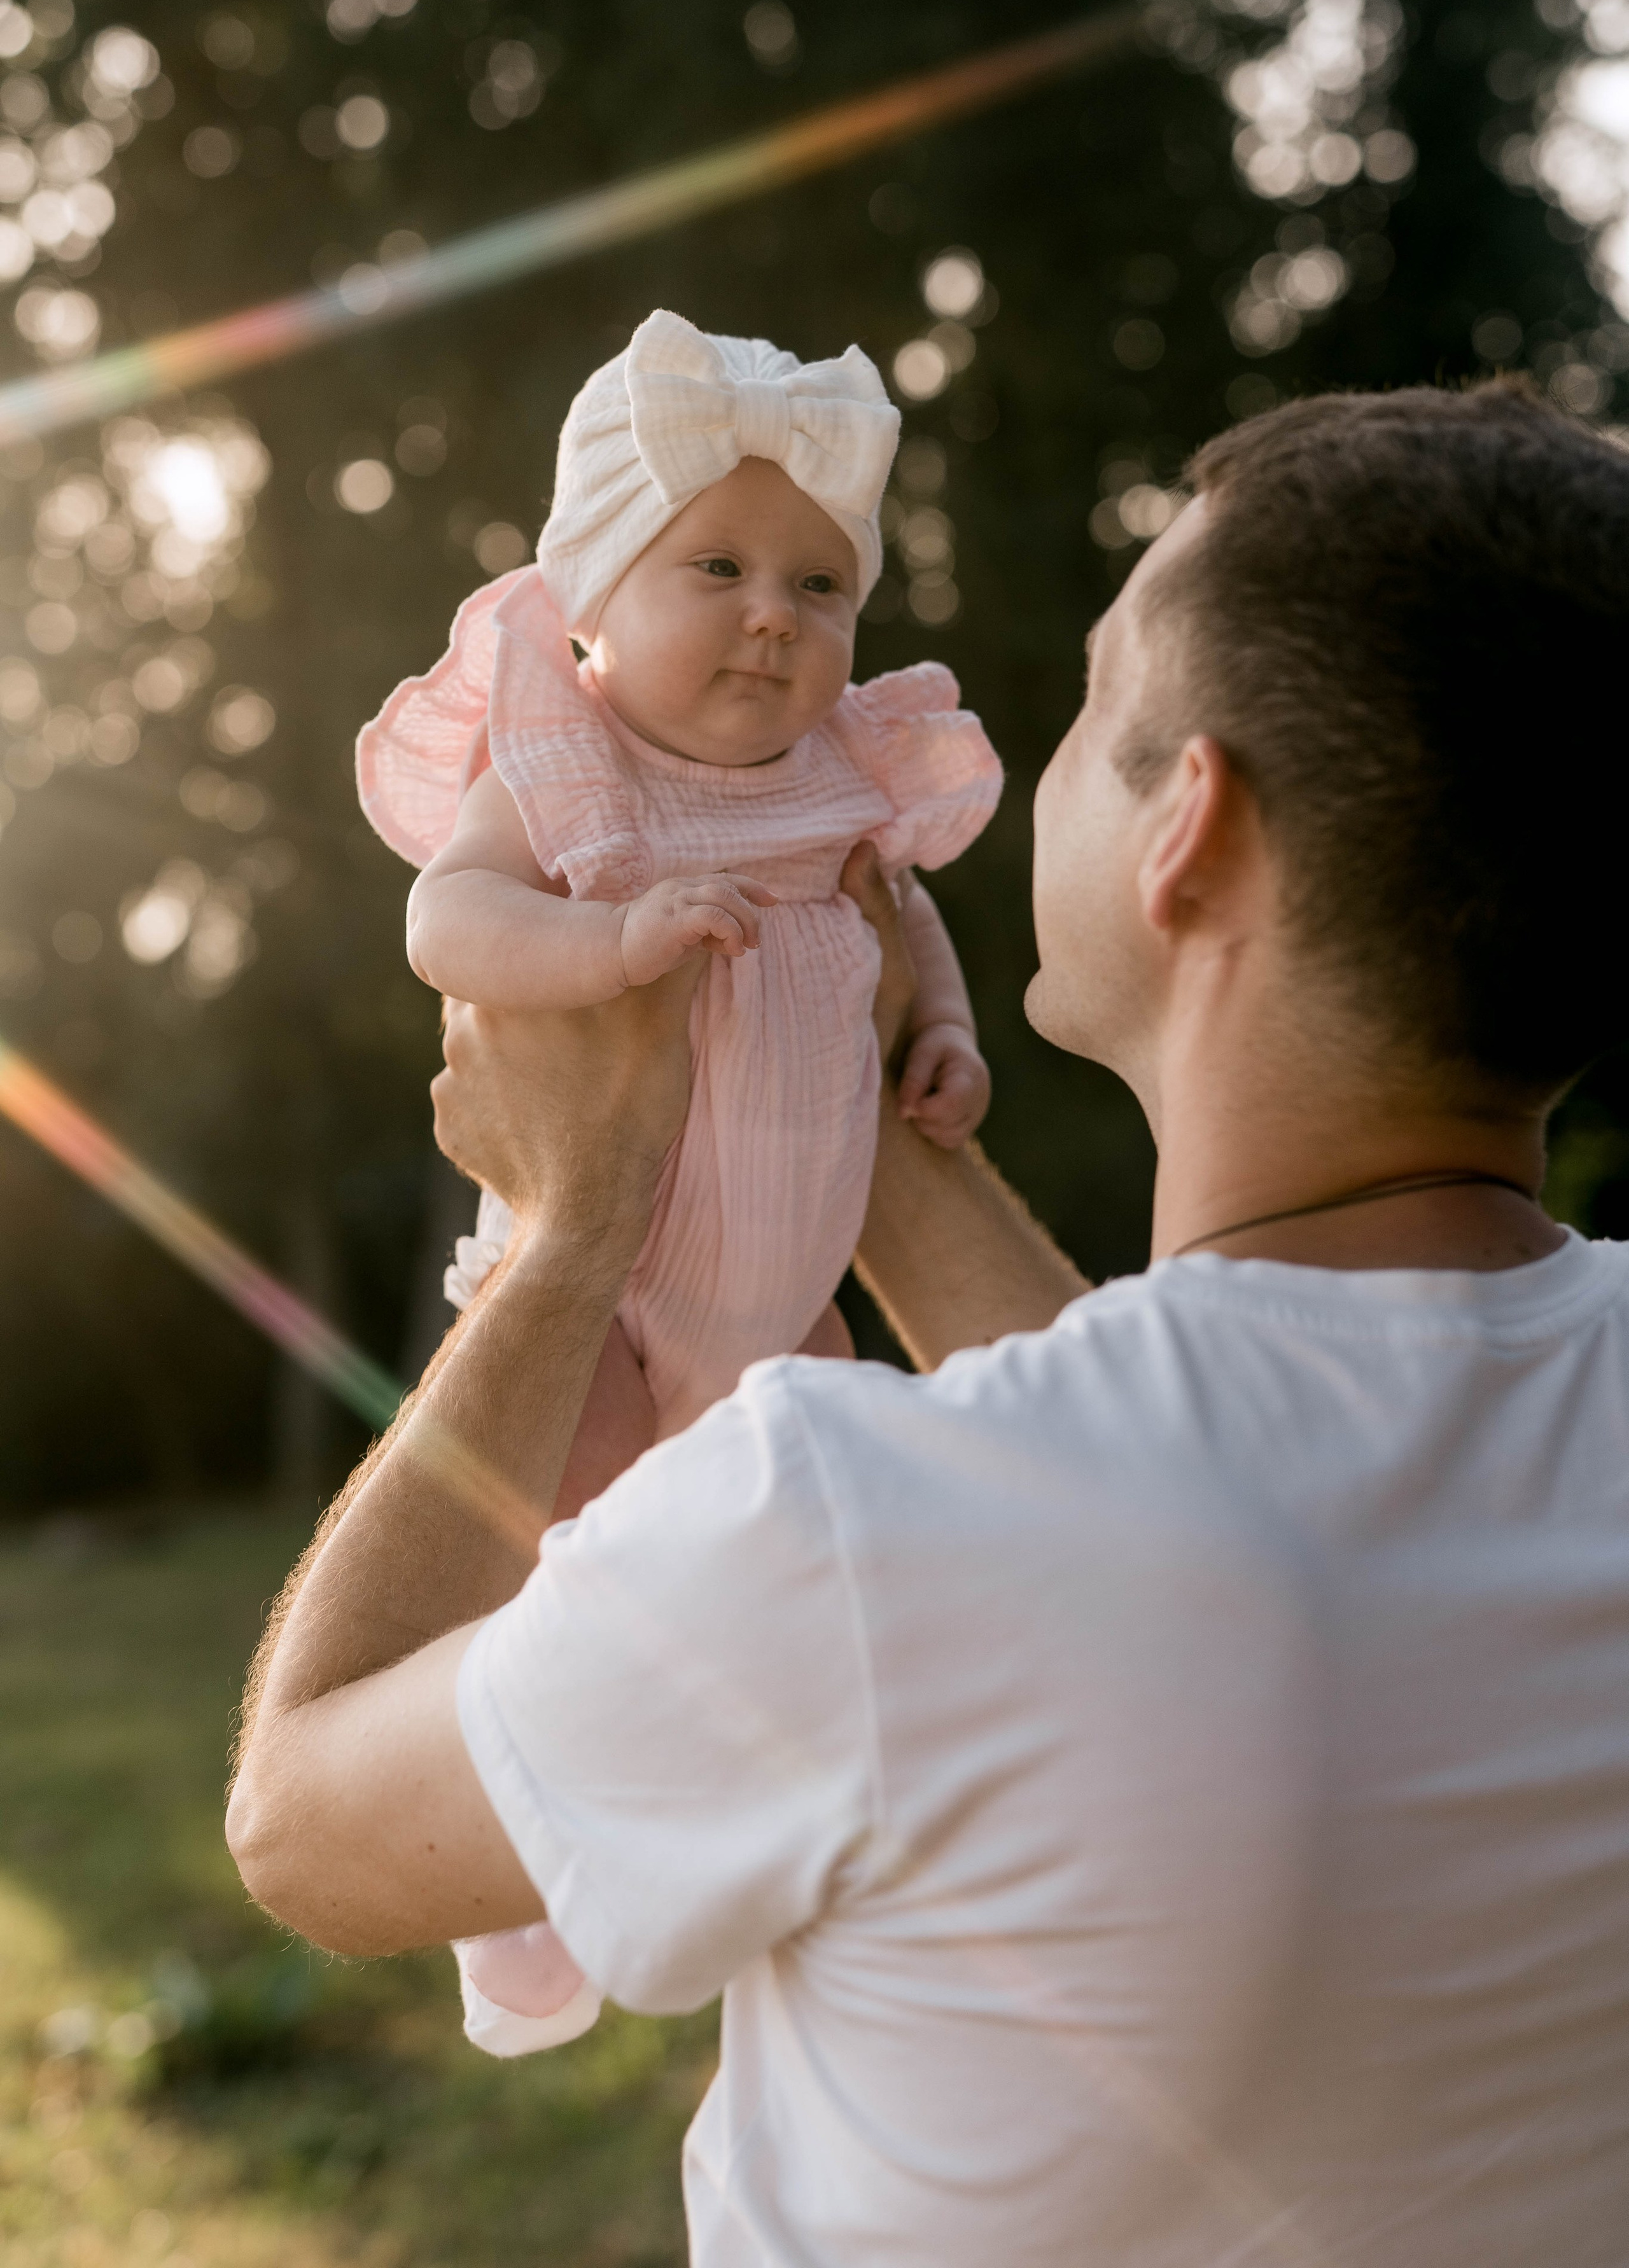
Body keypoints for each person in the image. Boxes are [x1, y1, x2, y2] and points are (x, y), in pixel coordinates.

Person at [229, 380, 1629, 2267]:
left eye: (1097, 714)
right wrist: (806, 1073)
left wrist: (576, 1232)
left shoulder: (847, 1539)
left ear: (1190, 833)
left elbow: (302, 1824)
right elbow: (1182, 1464)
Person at [355, 307, 1000, 2045]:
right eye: (717, 567)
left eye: (821, 587)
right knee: (555, 1585)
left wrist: (943, 1030)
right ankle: (514, 1900)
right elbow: (446, 921)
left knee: (826, 1564)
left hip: (789, 1310)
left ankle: (771, 1836)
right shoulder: (568, 761)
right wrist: (617, 939)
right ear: (592, 595)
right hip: (608, 1308)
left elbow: (908, 920)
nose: (774, 617)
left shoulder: (837, 780)